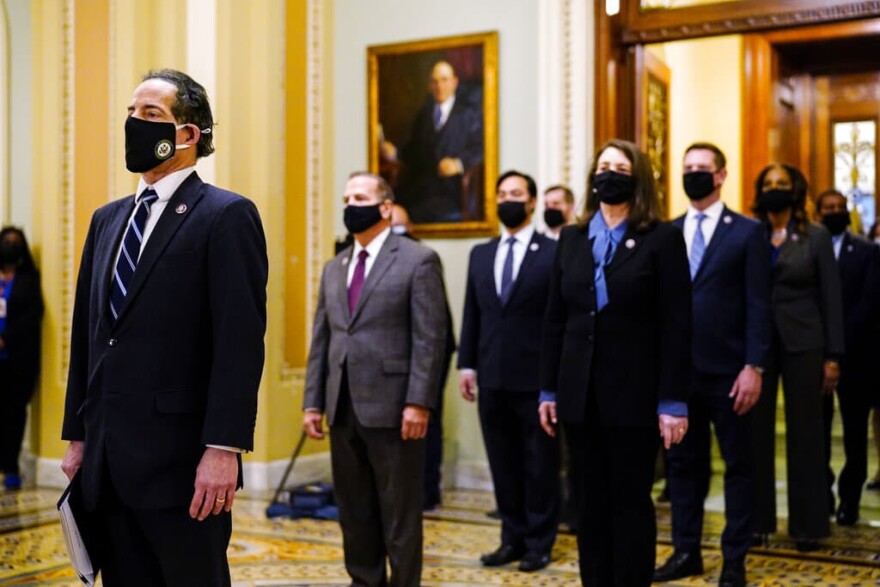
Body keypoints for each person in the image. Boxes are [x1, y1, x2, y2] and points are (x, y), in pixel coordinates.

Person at [60, 69, 268, 586]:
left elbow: (239, 343)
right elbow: (88, 338)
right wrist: (77, 435)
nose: (135, 123)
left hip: (183, 466)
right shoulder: (107, 220)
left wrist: (224, 448)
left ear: (188, 134)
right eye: (131, 113)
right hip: (108, 461)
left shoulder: (226, 215)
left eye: (151, 115)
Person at [539, 139, 691, 586]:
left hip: (636, 397)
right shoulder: (571, 238)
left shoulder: (661, 239)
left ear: (637, 177)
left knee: (629, 502)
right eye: (602, 166)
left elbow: (677, 325)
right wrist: (548, 389)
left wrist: (673, 400)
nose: (609, 173)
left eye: (619, 167)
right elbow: (555, 319)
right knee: (588, 502)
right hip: (578, 395)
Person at [302, 172, 448, 587]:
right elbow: (322, 340)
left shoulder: (417, 260)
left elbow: (429, 339)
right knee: (355, 511)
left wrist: (419, 402)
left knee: (398, 514)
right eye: (346, 197)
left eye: (360, 197)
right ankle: (364, 581)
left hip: (394, 407)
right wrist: (313, 402)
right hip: (342, 407)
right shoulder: (335, 266)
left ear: (385, 207)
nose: (351, 204)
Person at [654, 143, 771, 587]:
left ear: (721, 175)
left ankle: (734, 558)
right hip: (680, 375)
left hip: (730, 373)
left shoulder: (747, 232)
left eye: (702, 169)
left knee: (739, 465)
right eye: (687, 169)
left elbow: (760, 303)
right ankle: (686, 551)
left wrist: (754, 366)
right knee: (683, 467)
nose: (694, 175)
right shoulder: (667, 232)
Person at [458, 170, 559, 572]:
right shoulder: (481, 253)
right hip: (492, 378)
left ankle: (539, 542)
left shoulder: (553, 253)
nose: (507, 199)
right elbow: (473, 313)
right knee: (503, 464)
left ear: (532, 202)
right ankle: (511, 538)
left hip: (536, 381)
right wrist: (467, 364)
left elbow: (558, 319)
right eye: (501, 193)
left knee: (539, 466)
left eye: (516, 193)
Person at [749, 163, 844, 552]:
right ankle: (756, 522)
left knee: (806, 434)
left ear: (795, 189)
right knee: (754, 434)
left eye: (781, 184)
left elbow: (831, 298)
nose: (774, 189)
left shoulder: (816, 236)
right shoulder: (749, 233)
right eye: (768, 183)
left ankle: (808, 525)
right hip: (756, 345)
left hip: (805, 343)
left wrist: (833, 356)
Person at [814, 189, 880, 525]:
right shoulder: (808, 247)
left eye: (840, 208)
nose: (835, 212)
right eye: (829, 208)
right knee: (818, 433)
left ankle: (849, 499)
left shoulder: (867, 252)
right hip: (814, 357)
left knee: (854, 435)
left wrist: (838, 350)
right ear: (818, 212)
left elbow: (868, 303)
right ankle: (822, 493)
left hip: (856, 359)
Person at [389, 203, 457, 511]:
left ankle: (428, 489)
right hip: (392, 365)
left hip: (428, 359)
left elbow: (434, 324)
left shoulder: (422, 260)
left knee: (428, 426)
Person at [382, 60, 483, 223]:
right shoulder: (424, 115)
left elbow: (481, 148)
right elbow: (413, 150)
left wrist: (459, 164)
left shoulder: (468, 114)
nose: (439, 86)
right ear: (429, 86)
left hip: (453, 192)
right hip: (422, 192)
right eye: (434, 81)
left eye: (444, 80)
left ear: (454, 82)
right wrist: (395, 153)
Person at [0, 227, 44, 490]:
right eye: (7, 242)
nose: (10, 246)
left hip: (16, 361)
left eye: (15, 242)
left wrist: (7, 339)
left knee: (14, 415)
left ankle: (11, 466)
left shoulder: (28, 278)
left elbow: (32, 316)